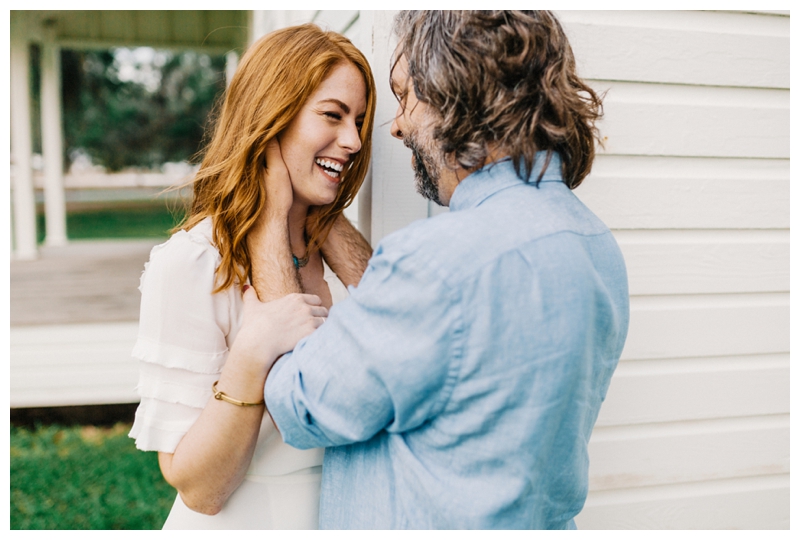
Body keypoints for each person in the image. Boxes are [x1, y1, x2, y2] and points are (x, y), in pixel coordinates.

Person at [243, 11, 630, 529]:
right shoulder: (595, 244)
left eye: (405, 96)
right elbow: (420, 340)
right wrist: (325, 217)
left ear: (454, 93)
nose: (397, 126)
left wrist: (270, 219)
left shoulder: (438, 263)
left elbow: (301, 405)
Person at [128, 23, 376, 529]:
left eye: (359, 121)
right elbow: (198, 488)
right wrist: (250, 355)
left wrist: (313, 218)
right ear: (272, 118)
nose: (352, 141)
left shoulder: (342, 250)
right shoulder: (193, 263)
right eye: (332, 115)